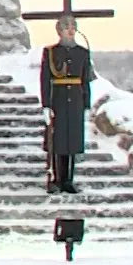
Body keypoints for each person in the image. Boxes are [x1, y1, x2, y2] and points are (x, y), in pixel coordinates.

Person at [39, 15, 93, 194]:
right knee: (58, 140)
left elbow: (85, 80)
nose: (70, 29)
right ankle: (56, 178)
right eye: (66, 26)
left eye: (73, 26)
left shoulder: (82, 53)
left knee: (72, 141)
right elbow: (46, 79)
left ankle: (69, 179)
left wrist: (86, 103)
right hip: (59, 100)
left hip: (75, 100)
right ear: (59, 31)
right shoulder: (51, 52)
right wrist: (46, 104)